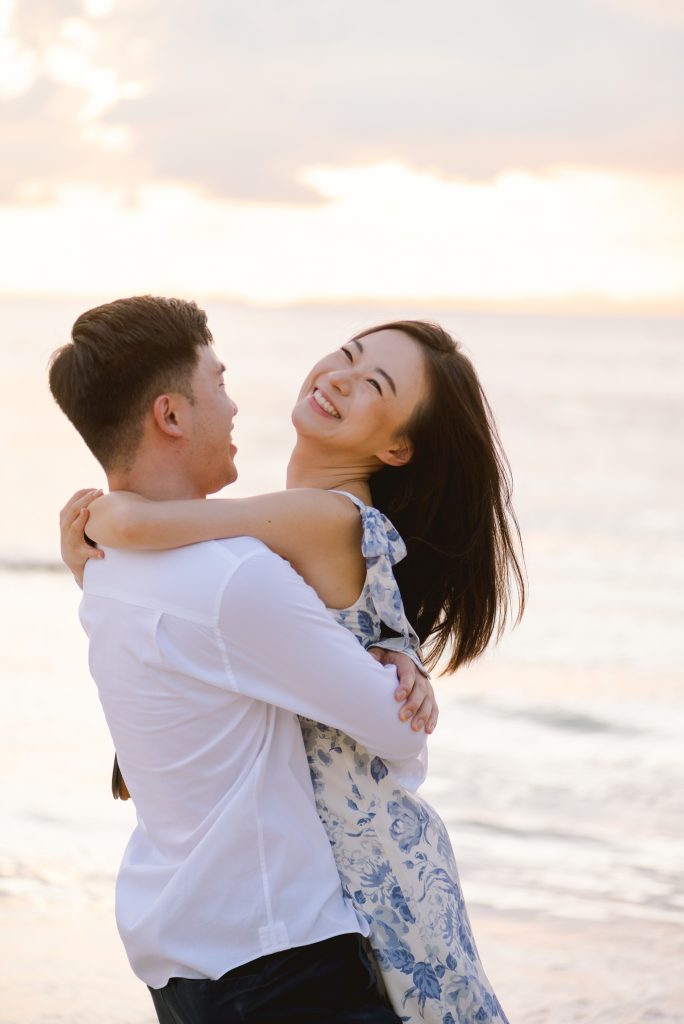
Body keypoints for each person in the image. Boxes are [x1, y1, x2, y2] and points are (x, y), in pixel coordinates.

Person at [61, 311, 525, 1022]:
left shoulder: (312, 519)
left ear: (399, 446)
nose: (339, 374)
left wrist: (109, 527)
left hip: (373, 858)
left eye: (372, 382)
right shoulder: (291, 527)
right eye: (347, 351)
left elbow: (167, 532)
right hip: (331, 871)